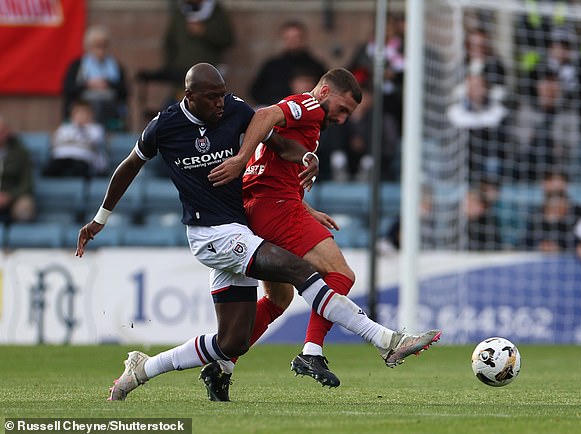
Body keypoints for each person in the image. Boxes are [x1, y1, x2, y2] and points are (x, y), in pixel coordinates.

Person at [75, 63, 440, 402]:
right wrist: (100, 219)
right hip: (210, 234)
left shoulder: (233, 110)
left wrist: (306, 158)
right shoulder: (165, 125)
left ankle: (143, 369)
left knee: (232, 341)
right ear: (190, 95)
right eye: (212, 97)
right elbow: (129, 166)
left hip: (241, 227)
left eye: (222, 94)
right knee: (304, 271)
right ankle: (383, 340)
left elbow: (274, 141)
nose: (221, 102)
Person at [206, 67, 441, 394]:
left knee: (279, 298)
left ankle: (222, 365)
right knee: (341, 274)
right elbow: (264, 115)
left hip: (260, 207)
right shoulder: (310, 105)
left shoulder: (312, 125)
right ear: (325, 92)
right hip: (275, 207)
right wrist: (241, 158)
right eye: (342, 110)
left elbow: (273, 170)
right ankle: (312, 352)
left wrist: (308, 210)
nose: (343, 120)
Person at [62, 25, 129, 130]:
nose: (101, 50)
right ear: (88, 46)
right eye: (97, 46)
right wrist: (88, 84)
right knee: (90, 107)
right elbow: (68, 88)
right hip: (83, 105)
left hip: (109, 105)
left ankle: (95, 133)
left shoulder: (116, 66)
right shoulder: (78, 65)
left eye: (104, 46)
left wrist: (107, 84)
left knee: (99, 105)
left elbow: (125, 90)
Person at [250, 20, 327, 107]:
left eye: (296, 37)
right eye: (288, 38)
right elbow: (255, 91)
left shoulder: (316, 66)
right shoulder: (272, 66)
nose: (293, 41)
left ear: (303, 38)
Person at [43, 100, 107, 178]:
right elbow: (55, 142)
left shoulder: (96, 129)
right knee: (49, 170)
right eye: (78, 113)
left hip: (82, 160)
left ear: (90, 114)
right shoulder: (64, 128)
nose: (81, 116)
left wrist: (82, 129)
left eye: (84, 113)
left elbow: (96, 142)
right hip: (61, 158)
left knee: (78, 170)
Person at [0, 115, 36, 224]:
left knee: (25, 208)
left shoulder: (21, 153)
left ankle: (20, 238)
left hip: (14, 197)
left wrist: (9, 196)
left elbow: (27, 183)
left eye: (2, 131)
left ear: (8, 132)